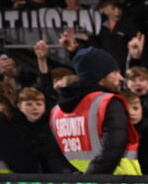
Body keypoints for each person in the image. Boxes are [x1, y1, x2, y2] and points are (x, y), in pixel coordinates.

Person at [49, 47, 141, 175]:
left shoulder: (56, 112)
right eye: (114, 72)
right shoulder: (108, 102)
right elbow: (113, 148)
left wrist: (77, 179)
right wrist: (91, 182)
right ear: (100, 77)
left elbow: (53, 155)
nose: (121, 78)